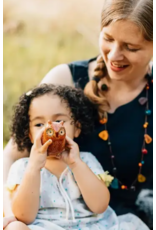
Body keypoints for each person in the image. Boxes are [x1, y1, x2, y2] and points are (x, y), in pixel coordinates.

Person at [3, 0, 153, 228]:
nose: (113, 55)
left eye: (130, 47)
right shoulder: (65, 80)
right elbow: (11, 155)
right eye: (108, 38)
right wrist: (10, 215)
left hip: (116, 219)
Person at [4, 84, 150, 230]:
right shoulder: (23, 167)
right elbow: (24, 216)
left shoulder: (86, 161)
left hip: (93, 226)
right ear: (30, 135)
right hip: (46, 226)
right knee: (15, 227)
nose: (50, 129)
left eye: (58, 121)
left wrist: (76, 164)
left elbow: (99, 206)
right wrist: (34, 168)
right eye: (39, 124)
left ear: (77, 129)